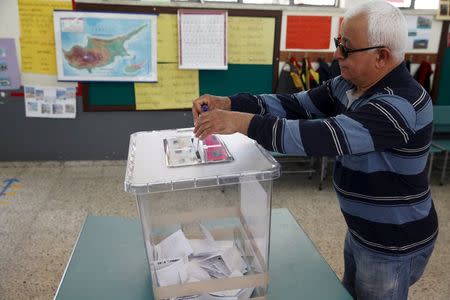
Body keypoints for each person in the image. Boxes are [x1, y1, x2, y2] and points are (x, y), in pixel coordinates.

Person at [192, 1, 438, 299]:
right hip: (363, 230)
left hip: (393, 242)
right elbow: (293, 105)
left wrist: (241, 123)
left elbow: (322, 136)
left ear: (381, 56)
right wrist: (230, 103)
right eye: (338, 43)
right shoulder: (347, 85)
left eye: (346, 48)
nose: (336, 55)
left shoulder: (401, 106)